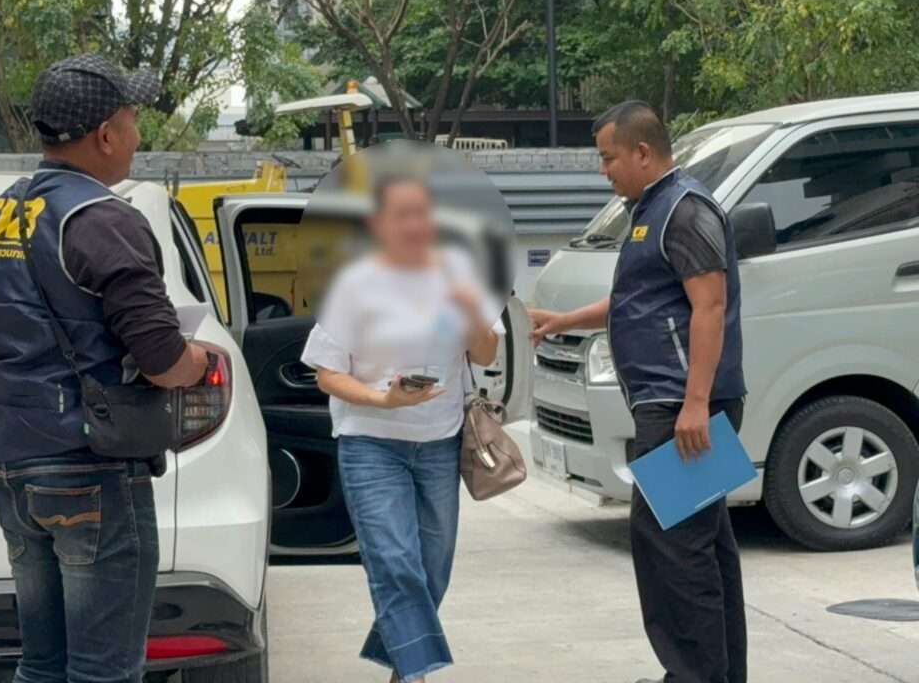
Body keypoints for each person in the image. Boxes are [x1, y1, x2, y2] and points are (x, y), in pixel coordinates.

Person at [0, 53, 209, 683]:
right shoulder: (103, 219)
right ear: (105, 134)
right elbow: (164, 362)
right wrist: (198, 360)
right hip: (92, 471)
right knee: (105, 671)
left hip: (13, 473)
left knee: (42, 667)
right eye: (133, 119)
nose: (138, 135)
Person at [529, 101, 748, 683]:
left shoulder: (685, 210)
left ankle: (693, 675)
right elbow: (641, 300)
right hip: (675, 403)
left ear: (643, 152)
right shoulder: (651, 210)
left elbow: (709, 307)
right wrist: (565, 320)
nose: (603, 170)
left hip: (684, 407)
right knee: (703, 544)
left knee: (670, 547)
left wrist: (695, 403)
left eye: (608, 158)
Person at [300, 175, 504, 683]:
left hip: (440, 443)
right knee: (395, 562)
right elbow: (327, 373)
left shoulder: (459, 273)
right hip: (371, 444)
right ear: (378, 224)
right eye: (402, 215)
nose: (416, 225)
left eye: (423, 214)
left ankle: (401, 662)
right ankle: (415, 673)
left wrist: (469, 310)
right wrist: (383, 399)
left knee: (432, 567)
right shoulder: (354, 285)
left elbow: (486, 352)